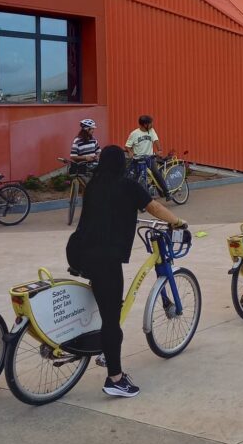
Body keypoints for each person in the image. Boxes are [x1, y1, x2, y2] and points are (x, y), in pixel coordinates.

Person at [66, 145, 186, 398]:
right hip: (104, 258)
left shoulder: (94, 185)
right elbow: (154, 207)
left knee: (107, 301)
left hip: (79, 252)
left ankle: (102, 348)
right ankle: (115, 379)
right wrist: (177, 222)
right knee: (112, 320)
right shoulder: (128, 186)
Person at [125, 115, 170, 200]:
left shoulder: (151, 131)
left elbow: (156, 140)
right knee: (134, 176)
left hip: (150, 158)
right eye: (150, 123)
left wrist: (159, 150)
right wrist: (130, 152)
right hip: (138, 159)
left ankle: (167, 192)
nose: (152, 125)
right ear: (145, 125)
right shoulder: (134, 134)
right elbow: (127, 146)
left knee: (156, 173)